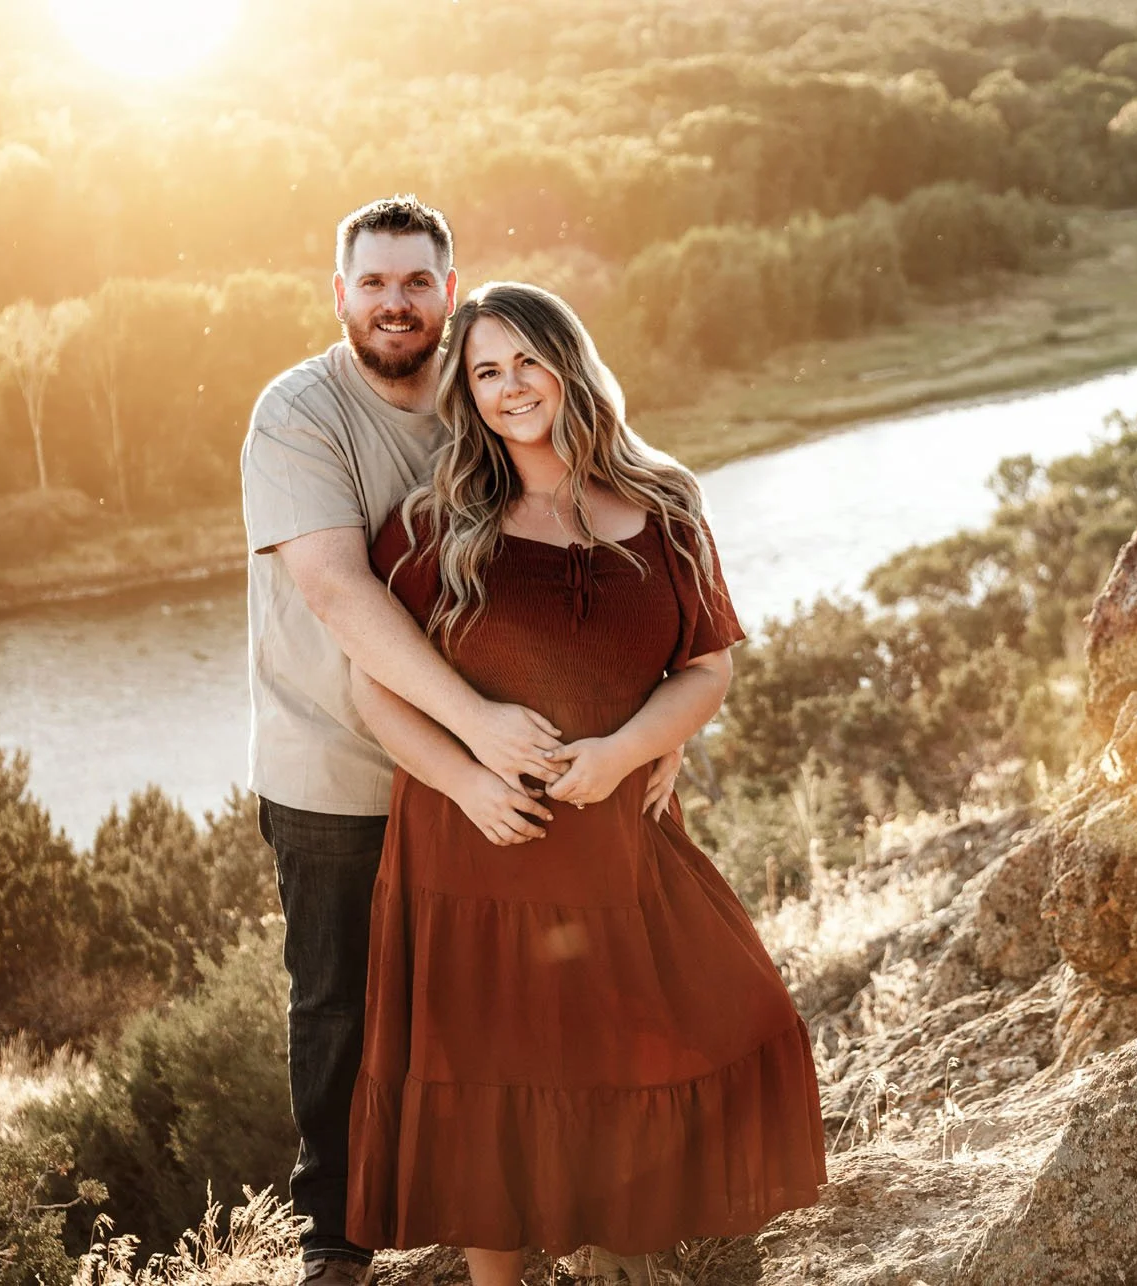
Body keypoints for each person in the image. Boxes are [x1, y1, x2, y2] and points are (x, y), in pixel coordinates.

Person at [342, 281, 827, 1286]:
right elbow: (372, 687)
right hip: (475, 844)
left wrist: (625, 751)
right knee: (486, 1069)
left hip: (618, 830)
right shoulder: (436, 522)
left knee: (669, 1028)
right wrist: (469, 780)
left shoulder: (663, 505)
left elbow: (706, 667)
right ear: (467, 397)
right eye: (486, 372)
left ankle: (625, 1256)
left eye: (527, 360)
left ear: (569, 361)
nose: (512, 387)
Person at [240, 198, 685, 1286]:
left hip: (498, 784)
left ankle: (561, 1202)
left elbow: (598, 561)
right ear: (339, 294)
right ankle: (338, 1238)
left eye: (416, 282)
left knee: (515, 1001)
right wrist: (474, 722)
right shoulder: (299, 413)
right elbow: (341, 594)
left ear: (449, 287)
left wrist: (654, 723)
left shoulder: (486, 387)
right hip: (340, 761)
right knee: (343, 1002)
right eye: (374, 283)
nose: (396, 303)